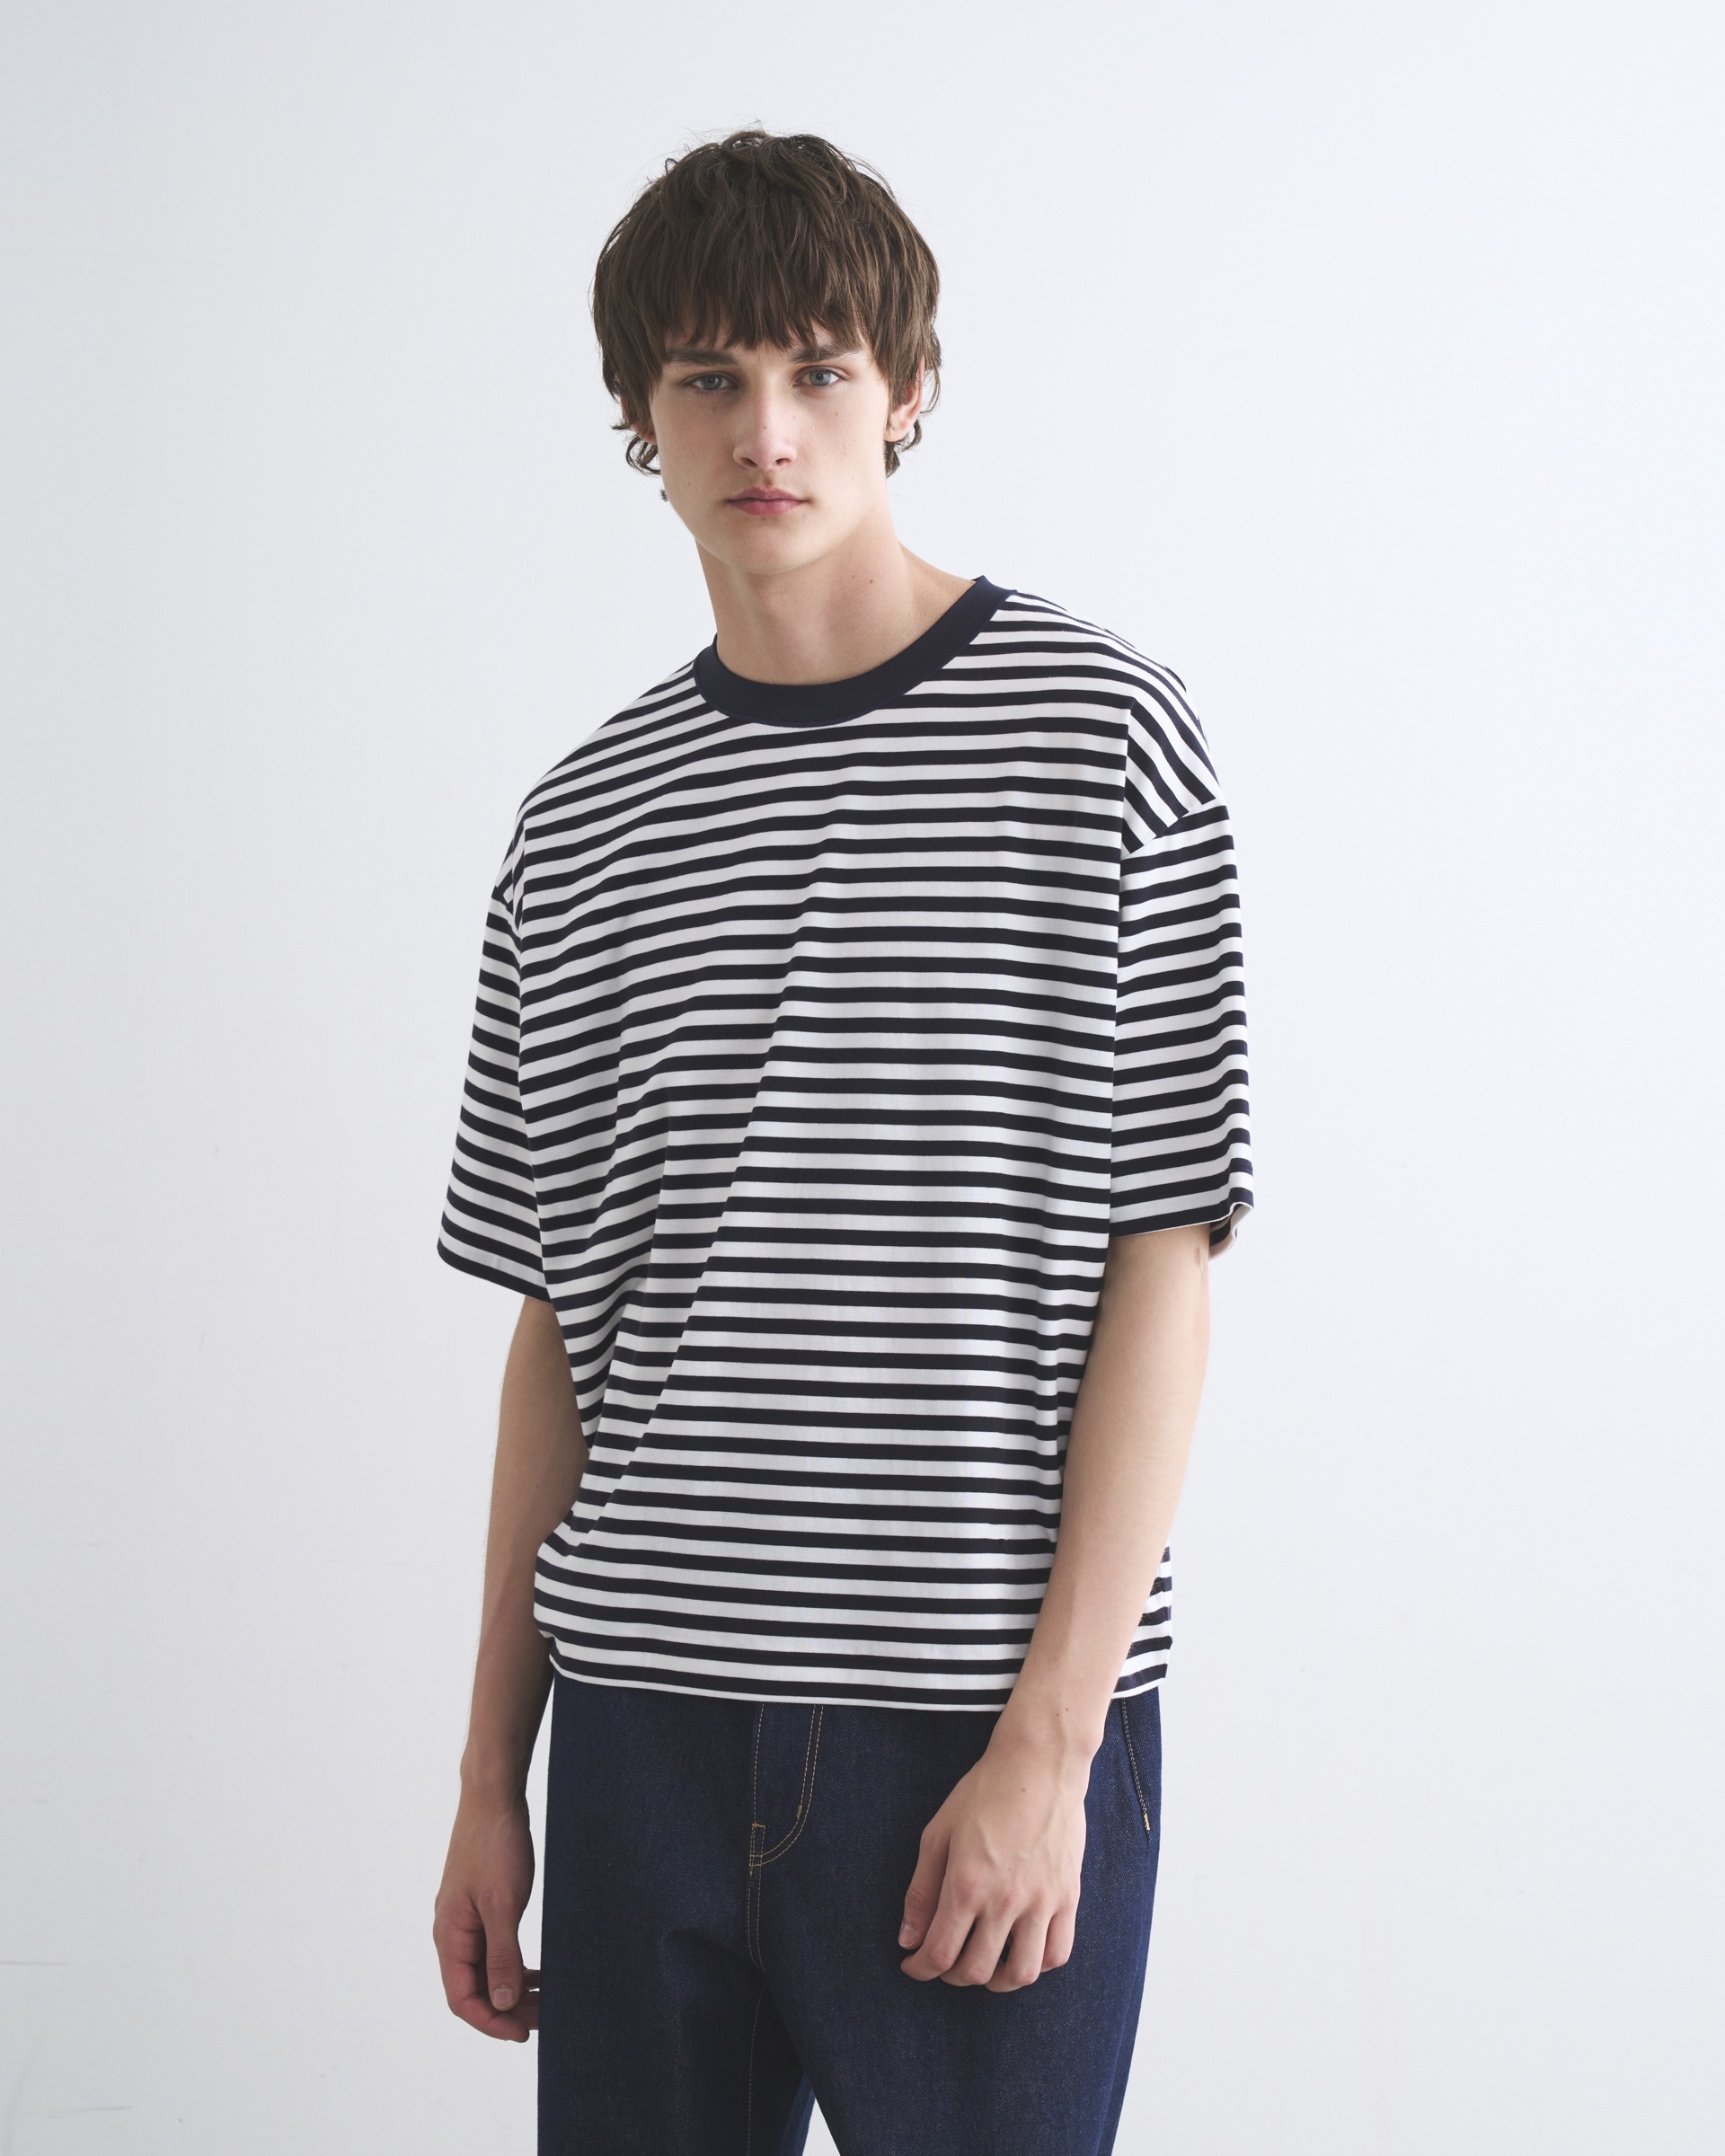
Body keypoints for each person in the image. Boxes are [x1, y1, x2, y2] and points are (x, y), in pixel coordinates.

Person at [430, 128, 1252, 2156]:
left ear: (908, 390)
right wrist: (487, 1777)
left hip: (967, 1731)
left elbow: (1162, 1257)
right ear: (640, 418)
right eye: (707, 377)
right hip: (639, 1729)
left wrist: (1049, 1744)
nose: (766, 430)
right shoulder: (581, 827)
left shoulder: (1099, 739)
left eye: (816, 368)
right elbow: (560, 1329)